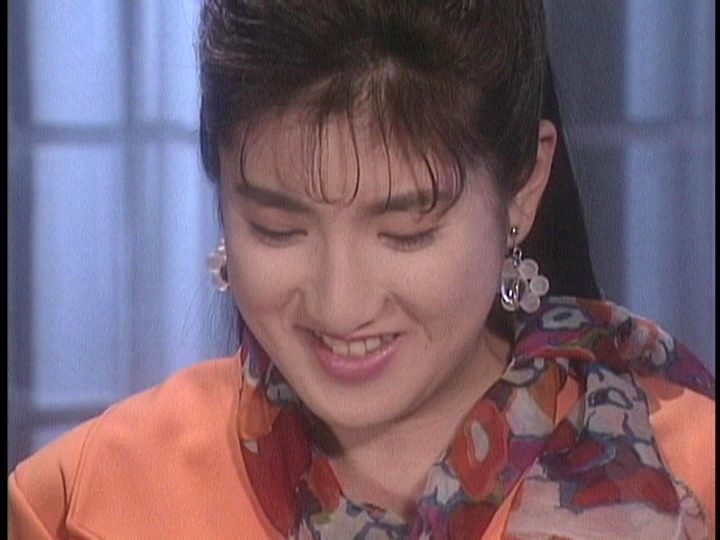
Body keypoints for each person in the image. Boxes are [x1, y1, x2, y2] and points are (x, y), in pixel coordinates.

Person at [9, 1, 715, 538]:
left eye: (406, 232)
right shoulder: (84, 501)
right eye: (277, 228)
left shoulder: (695, 478)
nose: (340, 305)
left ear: (524, 190)